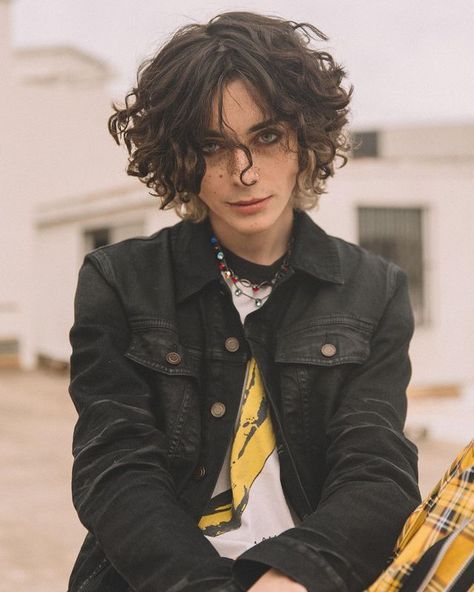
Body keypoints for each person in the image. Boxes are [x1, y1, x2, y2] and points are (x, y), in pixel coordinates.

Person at [68, 11, 421, 592]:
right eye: (212, 146)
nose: (245, 172)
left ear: (306, 139)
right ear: (179, 158)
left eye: (267, 136)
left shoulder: (374, 289)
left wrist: (293, 573)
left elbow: (377, 469)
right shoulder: (119, 280)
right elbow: (115, 467)